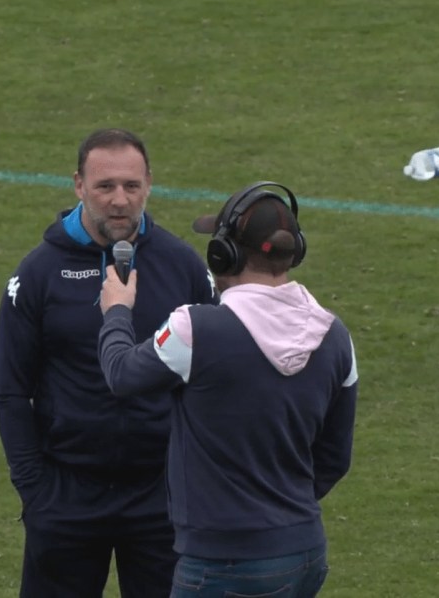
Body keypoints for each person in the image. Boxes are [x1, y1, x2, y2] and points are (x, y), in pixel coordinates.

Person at [98, 181, 359, 598]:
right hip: (304, 550)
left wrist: (116, 310)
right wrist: (279, 514)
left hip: (222, 562)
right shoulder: (336, 336)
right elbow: (334, 457)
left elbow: (122, 374)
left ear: (224, 254)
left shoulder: (196, 328)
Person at [0, 128, 218, 598]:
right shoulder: (37, 274)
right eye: (104, 186)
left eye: (131, 186)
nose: (119, 200)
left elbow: (215, 380)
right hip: (66, 495)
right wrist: (35, 490)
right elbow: (9, 390)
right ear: (78, 185)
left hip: (162, 496)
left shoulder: (183, 267)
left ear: (149, 184)